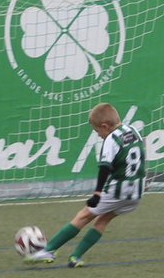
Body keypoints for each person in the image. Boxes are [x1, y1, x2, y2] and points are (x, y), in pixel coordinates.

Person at [27, 103, 145, 268]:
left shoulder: (112, 139)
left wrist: (97, 193)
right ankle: (76, 257)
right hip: (136, 192)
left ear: (104, 126)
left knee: (83, 216)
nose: (98, 135)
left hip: (118, 189)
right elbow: (141, 153)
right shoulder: (133, 130)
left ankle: (48, 250)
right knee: (103, 219)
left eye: (98, 132)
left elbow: (105, 167)